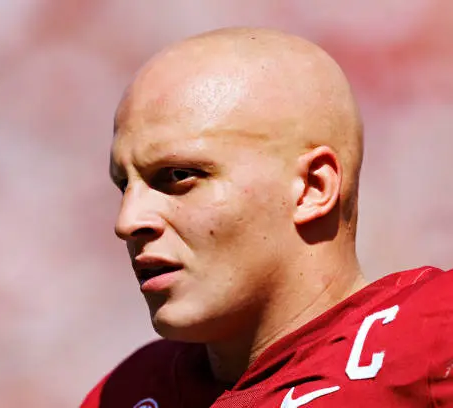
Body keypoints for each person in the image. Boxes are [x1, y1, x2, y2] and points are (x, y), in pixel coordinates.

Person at [81, 27, 453, 407]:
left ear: (313, 187)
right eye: (124, 184)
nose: (127, 221)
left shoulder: (432, 338)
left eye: (179, 176)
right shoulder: (126, 393)